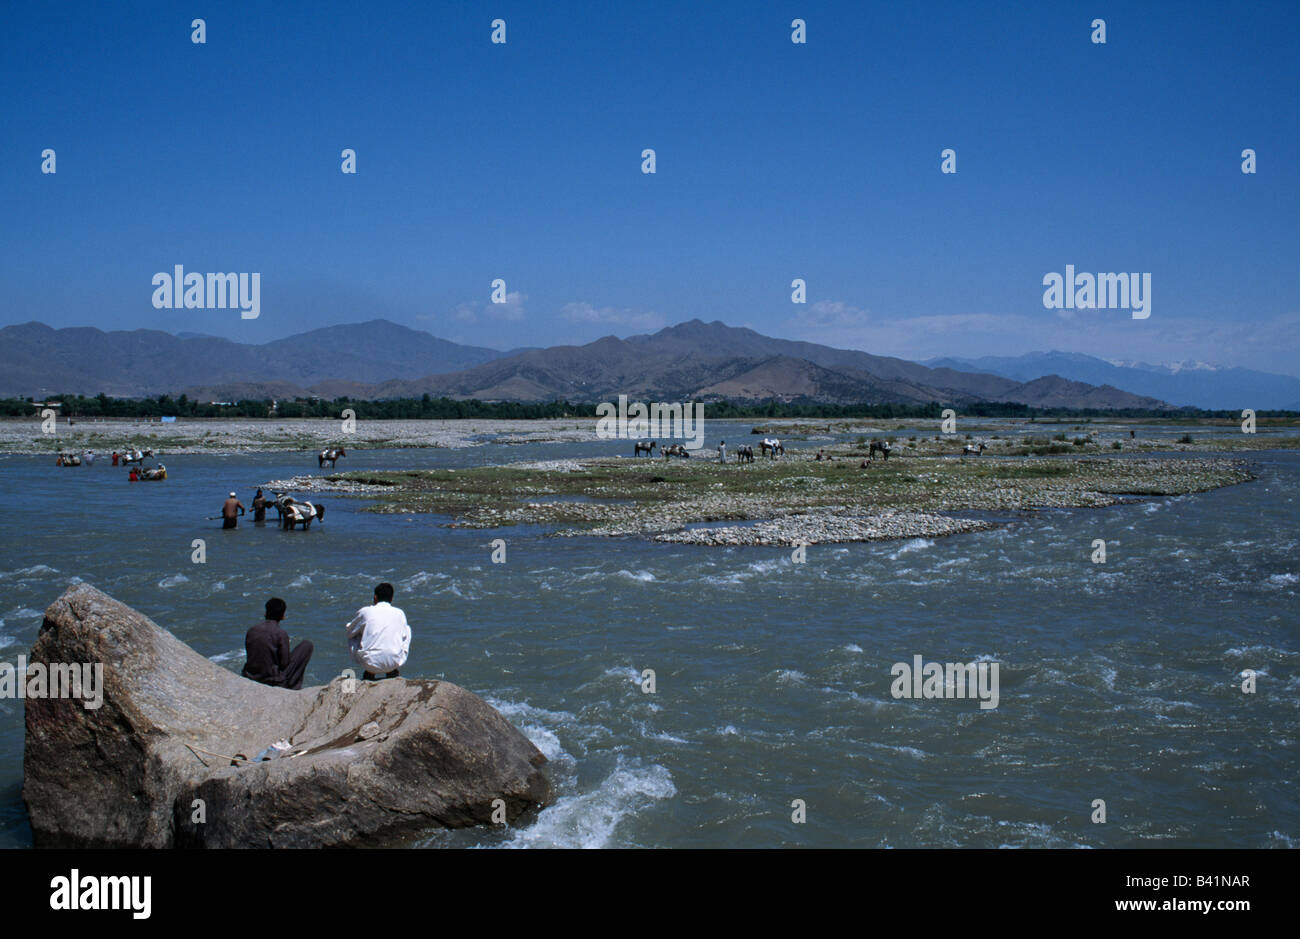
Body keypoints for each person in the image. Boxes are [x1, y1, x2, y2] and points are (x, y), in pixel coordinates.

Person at [242, 597, 314, 690]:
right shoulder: (280, 634)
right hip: (271, 680)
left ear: (265, 613)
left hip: (251, 676)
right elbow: (284, 663)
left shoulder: (252, 630)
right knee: (307, 645)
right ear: (282, 616)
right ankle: (293, 686)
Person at [345, 582, 410, 681]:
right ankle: (391, 670)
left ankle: (370, 672)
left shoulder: (366, 611)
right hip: (394, 662)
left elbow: (350, 632)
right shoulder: (400, 613)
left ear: (375, 597)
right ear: (391, 598)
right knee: (407, 630)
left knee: (353, 634)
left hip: (369, 664)